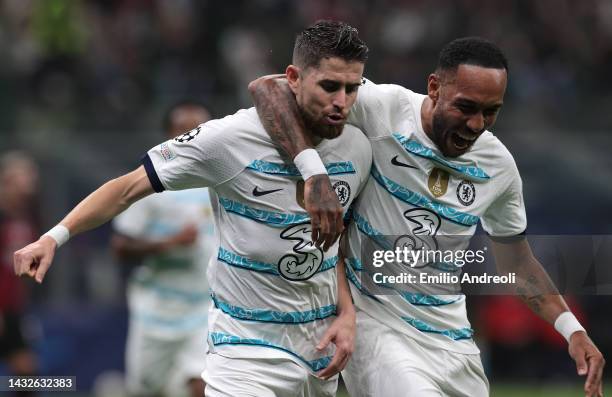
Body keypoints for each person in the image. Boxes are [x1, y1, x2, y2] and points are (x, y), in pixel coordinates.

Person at [13, 20, 372, 397]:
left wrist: (347, 314)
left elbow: (340, 248)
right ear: (294, 79)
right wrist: (53, 237)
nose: (341, 102)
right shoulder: (227, 140)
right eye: (330, 87)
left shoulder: (359, 150)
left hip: (318, 350)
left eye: (352, 89)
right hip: (243, 349)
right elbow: (126, 188)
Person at [249, 36, 605, 396]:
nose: (477, 123)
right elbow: (269, 89)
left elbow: (517, 262)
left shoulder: (498, 166)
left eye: (490, 111)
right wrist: (315, 175)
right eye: (465, 107)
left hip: (454, 341)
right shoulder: (382, 108)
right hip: (380, 333)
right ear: (434, 87)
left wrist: (571, 329)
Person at [111, 101, 213, 397]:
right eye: (185, 130)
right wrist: (169, 244)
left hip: (205, 307)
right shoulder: (150, 185)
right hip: (157, 310)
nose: (195, 137)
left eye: (201, 130)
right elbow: (120, 248)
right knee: (147, 388)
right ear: (169, 137)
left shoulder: (220, 180)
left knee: (202, 386)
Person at [0, 151, 41, 397]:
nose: (30, 184)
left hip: (14, 309)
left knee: (28, 377)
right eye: (24, 178)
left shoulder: (27, 217)